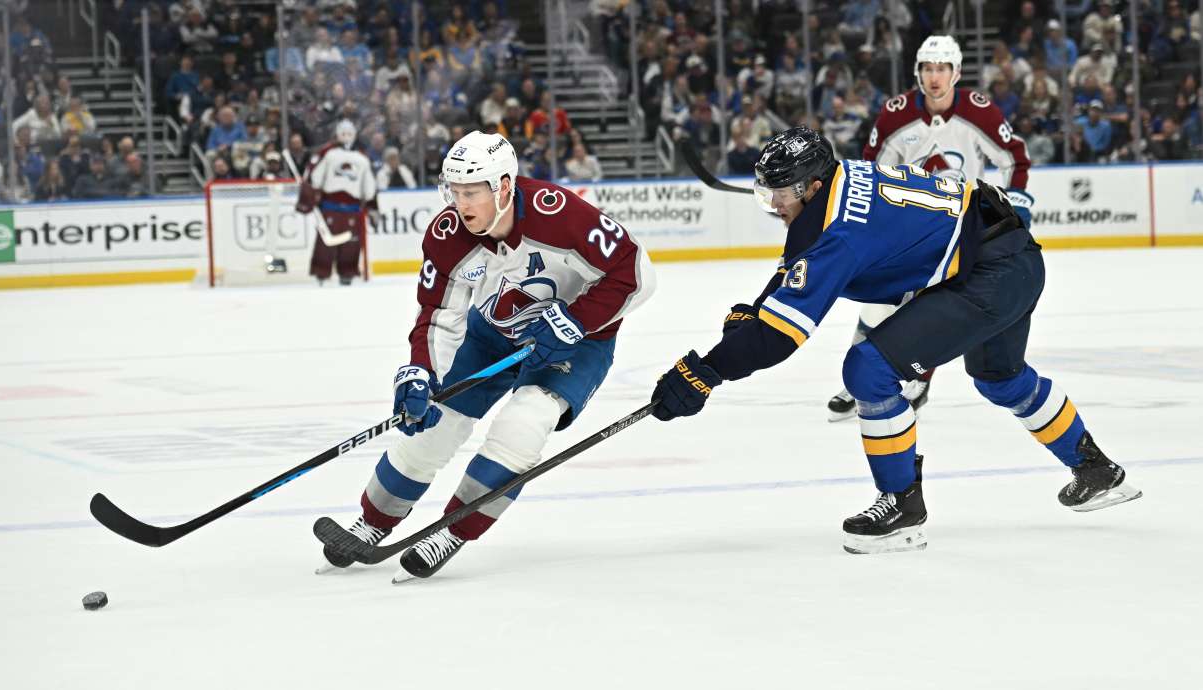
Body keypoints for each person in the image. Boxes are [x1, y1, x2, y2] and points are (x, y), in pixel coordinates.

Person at [649, 127, 1141, 554]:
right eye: (767, 193)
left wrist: (704, 372)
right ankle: (1097, 471)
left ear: (814, 185)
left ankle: (903, 504)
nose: (774, 204)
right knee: (1000, 378)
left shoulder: (839, 229)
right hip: (1009, 257)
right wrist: (756, 310)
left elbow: (780, 336)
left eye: (782, 193)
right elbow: (796, 264)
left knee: (868, 370)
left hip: (992, 271)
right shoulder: (838, 183)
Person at [318, 130, 655, 581]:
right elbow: (438, 314)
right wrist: (421, 372)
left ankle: (453, 531)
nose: (461, 204)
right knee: (434, 423)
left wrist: (576, 320)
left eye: (472, 192)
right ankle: (372, 522)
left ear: (504, 186)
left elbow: (635, 273)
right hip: (492, 333)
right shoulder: (448, 233)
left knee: (523, 425)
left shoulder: (561, 216)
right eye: (454, 191)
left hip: (577, 341)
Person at [825, 35, 1035, 422]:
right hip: (911, 223)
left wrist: (1015, 203)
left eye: (941, 68)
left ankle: (916, 382)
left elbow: (1015, 160)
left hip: (965, 227)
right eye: (927, 68)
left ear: (956, 72)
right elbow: (874, 170)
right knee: (881, 298)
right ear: (917, 72)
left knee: (935, 305)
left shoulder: (981, 111)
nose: (934, 76)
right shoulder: (894, 113)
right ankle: (858, 381)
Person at [295, 120, 377, 286]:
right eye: (343, 133)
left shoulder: (333, 154)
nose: (346, 137)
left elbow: (316, 179)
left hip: (334, 209)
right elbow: (369, 191)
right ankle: (335, 273)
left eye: (348, 134)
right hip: (341, 209)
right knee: (341, 243)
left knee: (340, 243)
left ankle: (325, 273)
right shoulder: (358, 158)